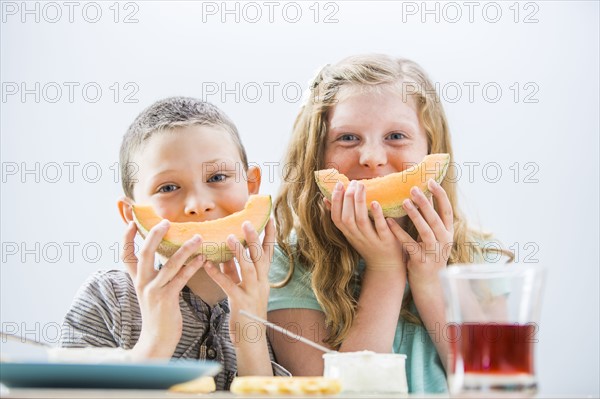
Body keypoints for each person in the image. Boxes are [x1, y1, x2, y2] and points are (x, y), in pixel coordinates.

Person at [267, 54, 512, 393]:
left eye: (396, 136)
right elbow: (344, 394)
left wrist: (430, 284)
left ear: (431, 150)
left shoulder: (477, 258)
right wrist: (385, 271)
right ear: (317, 155)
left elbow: (497, 389)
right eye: (348, 138)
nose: (372, 157)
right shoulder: (288, 267)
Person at [60, 97, 288, 390]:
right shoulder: (108, 299)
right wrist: (155, 341)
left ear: (252, 187)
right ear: (132, 214)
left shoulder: (282, 299)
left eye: (218, 177)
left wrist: (251, 335)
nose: (198, 204)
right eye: (168, 187)